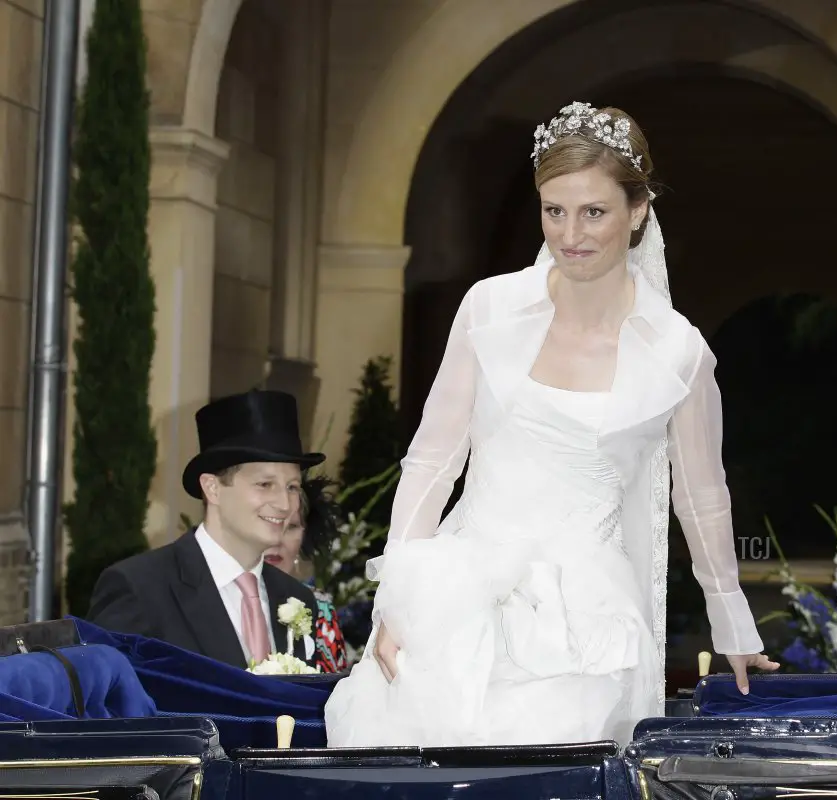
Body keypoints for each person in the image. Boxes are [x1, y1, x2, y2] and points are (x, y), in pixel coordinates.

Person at [324, 101, 777, 748]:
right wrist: (397, 603)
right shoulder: (488, 308)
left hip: (585, 631)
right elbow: (433, 461)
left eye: (594, 211)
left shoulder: (679, 351)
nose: (572, 234)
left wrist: (733, 624)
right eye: (554, 210)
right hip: (457, 605)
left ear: (639, 210)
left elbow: (701, 497)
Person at [88, 389, 325, 671]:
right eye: (265, 484)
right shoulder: (140, 588)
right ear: (212, 488)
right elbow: (111, 704)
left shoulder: (296, 598)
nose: (285, 504)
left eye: (292, 487)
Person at [262, 475, 351, 673]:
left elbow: (333, 696)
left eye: (291, 526)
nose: (277, 540)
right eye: (270, 522)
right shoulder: (219, 598)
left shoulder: (320, 608)